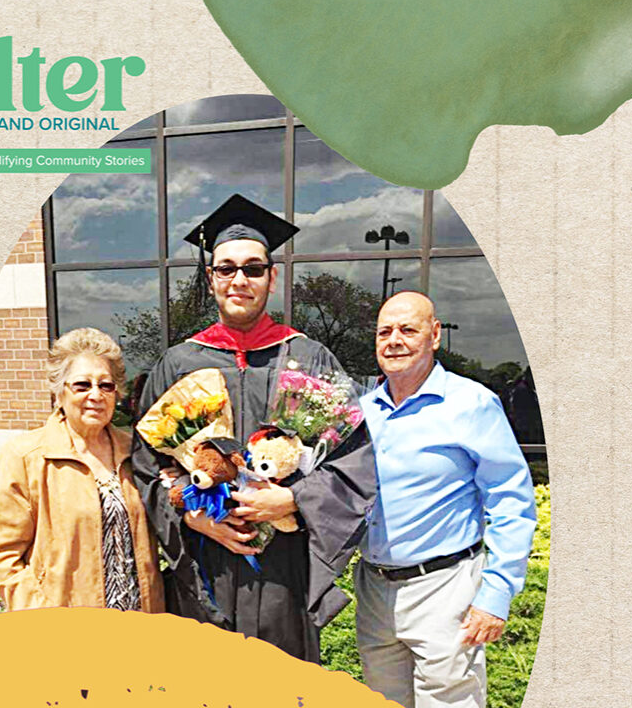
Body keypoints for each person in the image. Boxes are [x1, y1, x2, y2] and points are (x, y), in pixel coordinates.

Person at [131, 194, 376, 662]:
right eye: (226, 268)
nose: (239, 279)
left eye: (253, 268)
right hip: (206, 563)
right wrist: (193, 516)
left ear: (272, 276)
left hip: (283, 565)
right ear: (212, 278)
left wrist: (293, 499)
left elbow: (355, 460)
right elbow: (147, 468)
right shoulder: (179, 362)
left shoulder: (308, 357)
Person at [355, 291, 536, 708]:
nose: (394, 340)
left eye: (407, 329)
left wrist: (496, 595)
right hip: (374, 589)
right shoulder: (363, 410)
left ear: (434, 335)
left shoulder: (471, 405)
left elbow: (511, 501)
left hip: (445, 588)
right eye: (384, 332)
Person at [0, 327, 164, 613]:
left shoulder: (136, 451)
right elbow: (3, 558)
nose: (96, 395)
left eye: (106, 386)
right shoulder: (27, 456)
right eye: (82, 385)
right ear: (59, 391)